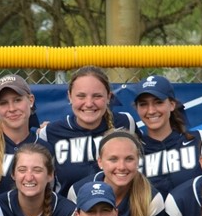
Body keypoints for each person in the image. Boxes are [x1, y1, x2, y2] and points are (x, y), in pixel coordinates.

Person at [38, 66, 137, 194]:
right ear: (70, 97)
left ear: (108, 97)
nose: (89, 103)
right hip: (71, 211)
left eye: (97, 96)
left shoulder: (125, 123)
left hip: (117, 210)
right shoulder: (50, 133)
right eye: (81, 96)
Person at [67, 130, 165, 216]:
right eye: (113, 159)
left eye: (129, 159)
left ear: (138, 161)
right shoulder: (78, 191)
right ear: (100, 162)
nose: (121, 167)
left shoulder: (150, 198)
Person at [0, 74, 51, 196]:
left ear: (30, 100)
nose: (12, 108)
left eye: (17, 100)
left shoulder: (43, 146)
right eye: (3, 103)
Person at [131, 74, 202, 194]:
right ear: (137, 109)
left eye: (158, 102)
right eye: (143, 104)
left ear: (172, 104)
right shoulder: (132, 149)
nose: (151, 110)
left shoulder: (200, 139)